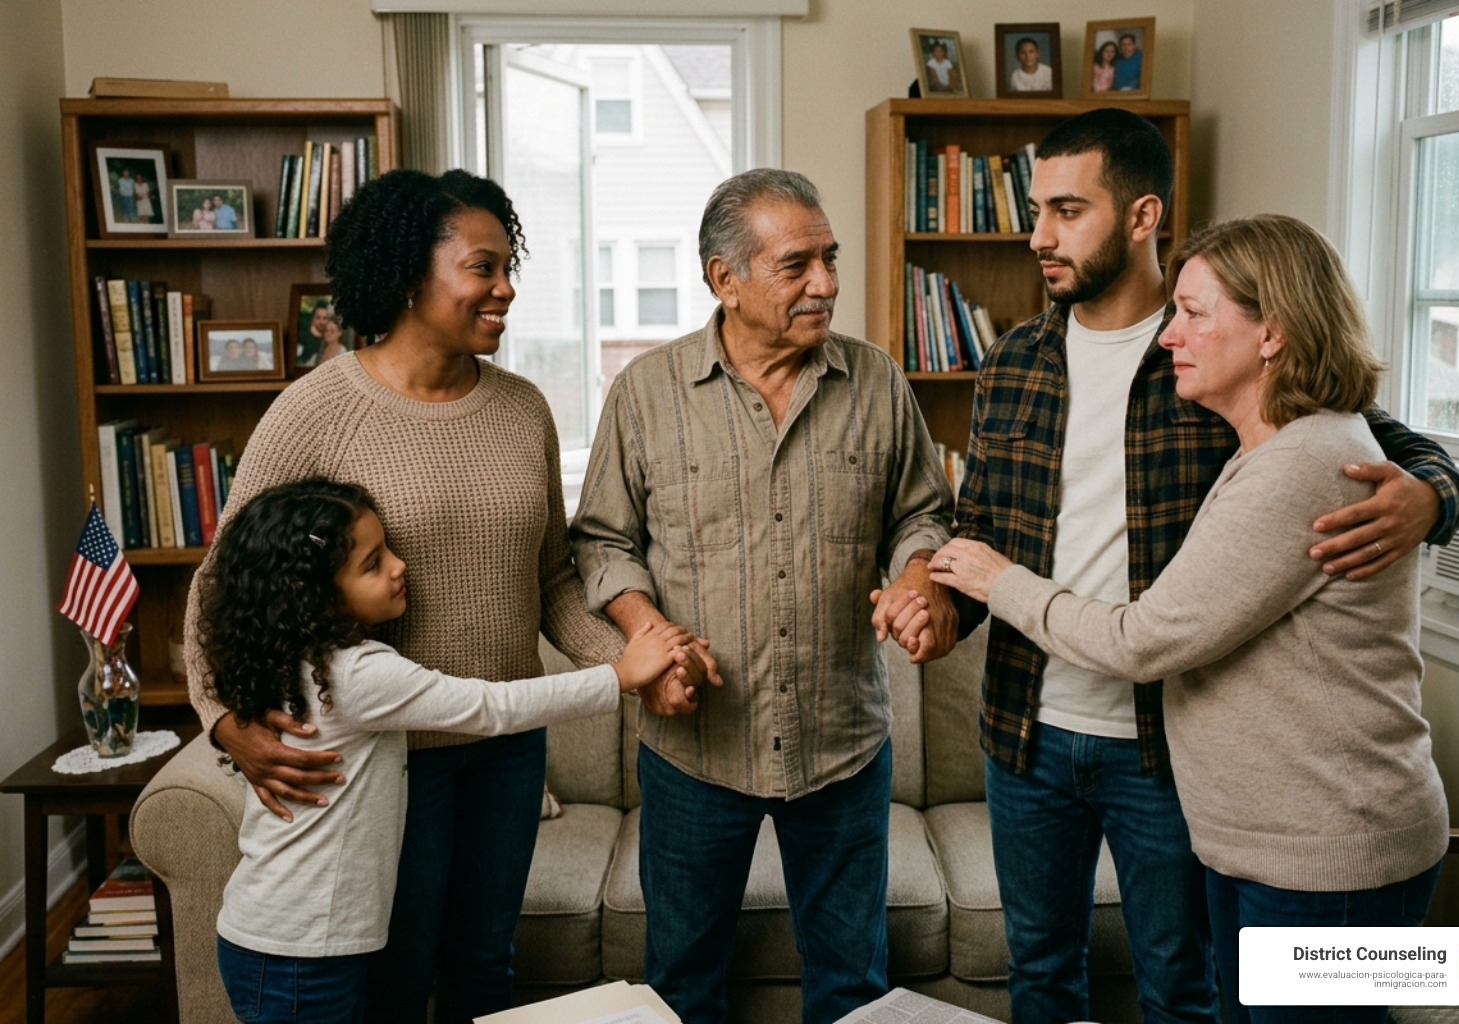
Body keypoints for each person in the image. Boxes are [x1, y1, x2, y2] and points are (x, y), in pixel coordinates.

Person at [877, 108, 1459, 1024]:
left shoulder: (1214, 352)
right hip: (1027, 733)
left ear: (1143, 215)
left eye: (1068, 211)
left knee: (1181, 990)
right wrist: (940, 604)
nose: (1039, 237)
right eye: (1037, 210)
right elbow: (984, 527)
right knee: (1040, 976)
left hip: (1166, 747)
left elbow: (1367, 434)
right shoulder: (1014, 362)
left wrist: (1435, 494)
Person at [183, 167, 697, 1024]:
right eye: (482, 268)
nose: (506, 288)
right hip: (387, 760)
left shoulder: (523, 409)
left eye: (508, 267)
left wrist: (641, 664)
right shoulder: (316, 411)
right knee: (395, 973)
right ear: (410, 273)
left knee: (483, 964)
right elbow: (220, 586)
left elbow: (552, 586)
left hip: (505, 755)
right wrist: (224, 723)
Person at [569, 168, 957, 1024]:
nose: (825, 284)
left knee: (853, 988)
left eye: (830, 258)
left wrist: (915, 574)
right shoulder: (646, 394)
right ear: (723, 278)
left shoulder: (879, 382)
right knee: (683, 986)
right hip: (696, 749)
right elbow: (601, 539)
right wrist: (652, 632)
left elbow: (924, 511)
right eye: (796, 265)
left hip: (842, 744)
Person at [201, 477, 691, 1024]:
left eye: (387, 549)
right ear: (314, 594)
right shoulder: (357, 674)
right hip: (299, 956)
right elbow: (491, 706)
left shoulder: (281, 658)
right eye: (372, 563)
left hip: (284, 939)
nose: (398, 566)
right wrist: (619, 674)